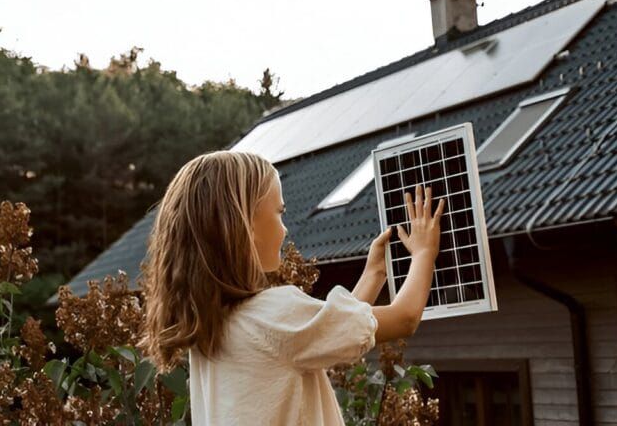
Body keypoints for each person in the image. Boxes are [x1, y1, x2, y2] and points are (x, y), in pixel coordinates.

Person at [138, 149, 445, 425]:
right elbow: (404, 317)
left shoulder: (214, 326)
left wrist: (374, 274)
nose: (285, 228)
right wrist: (424, 253)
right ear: (243, 224)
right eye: (279, 212)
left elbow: (327, 332)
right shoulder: (275, 315)